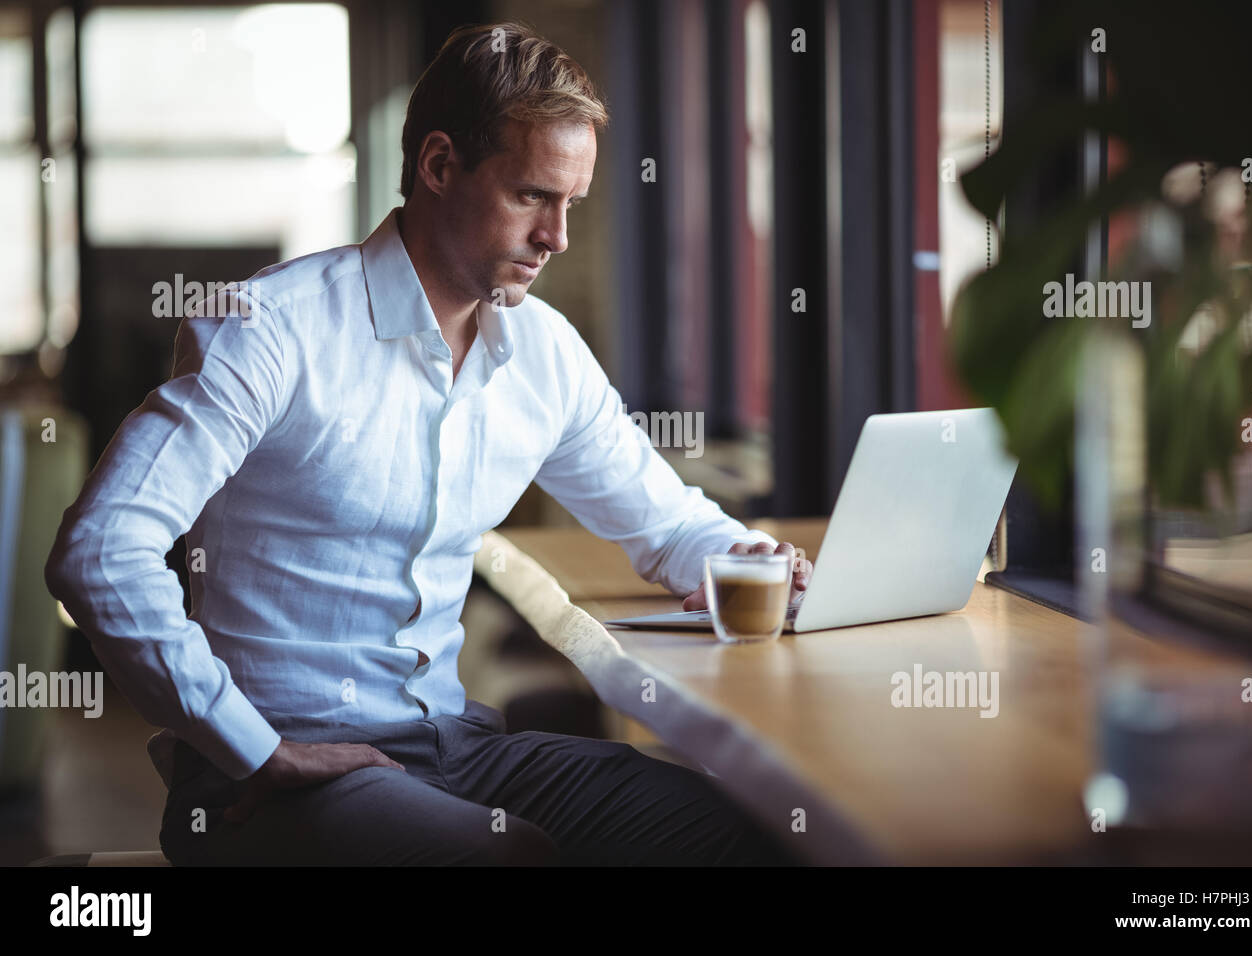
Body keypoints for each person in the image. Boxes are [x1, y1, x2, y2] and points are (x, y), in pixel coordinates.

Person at [44, 21, 811, 866]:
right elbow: (101, 550)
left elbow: (665, 524)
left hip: (454, 749)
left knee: (742, 829)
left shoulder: (543, 353)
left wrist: (748, 556)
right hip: (276, 775)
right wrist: (253, 745)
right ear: (439, 166)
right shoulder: (269, 330)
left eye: (571, 205)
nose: (556, 236)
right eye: (531, 196)